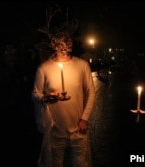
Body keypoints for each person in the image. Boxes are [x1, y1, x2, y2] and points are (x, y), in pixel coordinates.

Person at [31, 11, 96, 167]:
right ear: (54, 43)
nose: (67, 42)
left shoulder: (82, 65)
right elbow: (35, 94)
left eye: (69, 38)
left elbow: (91, 93)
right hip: (55, 131)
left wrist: (84, 118)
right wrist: (46, 97)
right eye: (62, 39)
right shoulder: (44, 68)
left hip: (78, 131)